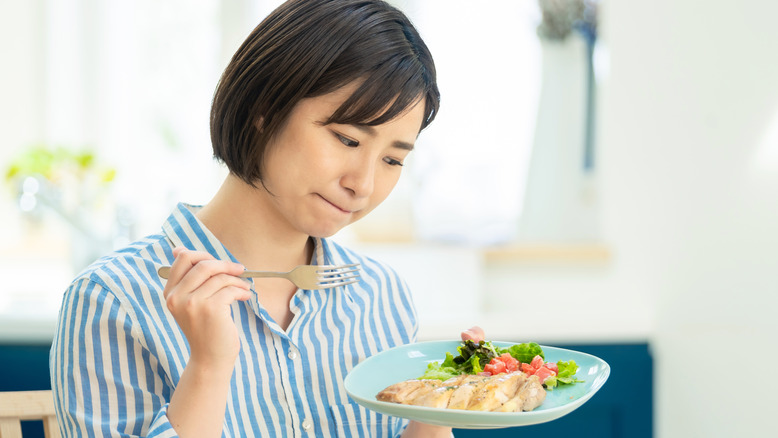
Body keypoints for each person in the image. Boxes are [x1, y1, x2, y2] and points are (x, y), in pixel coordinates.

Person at [50, 0, 484, 437]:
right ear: (266, 109)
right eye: (348, 139)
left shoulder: (379, 296)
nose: (364, 184)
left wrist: (438, 405)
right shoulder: (112, 300)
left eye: (392, 159)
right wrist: (209, 367)